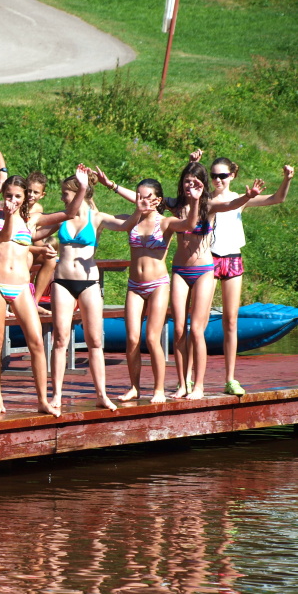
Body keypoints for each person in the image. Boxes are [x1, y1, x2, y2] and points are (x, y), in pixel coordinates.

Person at [0, 167, 88, 417]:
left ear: (24, 198)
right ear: (3, 195)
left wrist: (82, 188)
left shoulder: (31, 221)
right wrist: (0, 209)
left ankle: (42, 399)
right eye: (9, 195)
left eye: (17, 196)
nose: (13, 200)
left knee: (37, 343)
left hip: (20, 286)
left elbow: (69, 213)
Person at [104, 179, 201, 403]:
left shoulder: (166, 223)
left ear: (157, 200)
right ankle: (134, 387)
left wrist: (195, 202)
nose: (141, 200)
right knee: (132, 338)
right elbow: (102, 218)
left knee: (152, 337)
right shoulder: (132, 220)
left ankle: (159, 390)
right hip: (135, 286)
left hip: (158, 284)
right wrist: (103, 186)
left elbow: (189, 224)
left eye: (146, 196)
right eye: (138, 196)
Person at [47, 171, 132, 412]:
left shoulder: (97, 218)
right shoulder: (62, 217)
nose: (62, 198)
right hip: (62, 282)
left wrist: (138, 206)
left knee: (95, 340)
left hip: (89, 282)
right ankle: (56, 395)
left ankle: (101, 395)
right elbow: (34, 232)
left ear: (78, 193)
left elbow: (127, 224)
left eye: (65, 193)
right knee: (60, 339)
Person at [208, 158, 293, 395]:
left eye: (222, 175)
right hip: (208, 258)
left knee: (231, 320)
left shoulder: (240, 198)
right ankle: (190, 379)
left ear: (232, 176)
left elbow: (277, 199)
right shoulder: (204, 199)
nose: (217, 180)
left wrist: (287, 179)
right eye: (213, 175)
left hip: (232, 259)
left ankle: (230, 379)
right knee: (199, 320)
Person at [25, 171, 55, 315]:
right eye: (28, 190)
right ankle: (17, 300)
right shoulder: (17, 204)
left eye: (35, 192)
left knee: (50, 259)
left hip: (26, 248)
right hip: (13, 249)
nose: (31, 195)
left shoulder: (38, 209)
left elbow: (35, 237)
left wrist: (45, 248)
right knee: (28, 257)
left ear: (42, 195)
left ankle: (34, 302)